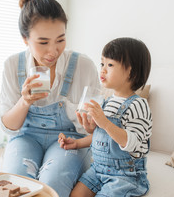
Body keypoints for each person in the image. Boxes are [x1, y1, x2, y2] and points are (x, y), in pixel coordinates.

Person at [0, 0, 100, 197]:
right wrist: (24, 102)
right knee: (16, 181)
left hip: (70, 138)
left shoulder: (83, 65)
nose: (53, 51)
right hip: (26, 138)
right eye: (43, 42)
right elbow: (9, 127)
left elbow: (93, 129)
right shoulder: (12, 66)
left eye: (60, 40)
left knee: (52, 183)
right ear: (25, 39)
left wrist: (91, 123)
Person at [58, 37, 152, 196]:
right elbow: (102, 138)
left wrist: (105, 123)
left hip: (125, 176)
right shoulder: (107, 102)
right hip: (98, 170)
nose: (102, 70)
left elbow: (133, 144)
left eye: (110, 65)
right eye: (102, 64)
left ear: (130, 71)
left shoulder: (138, 105)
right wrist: (77, 143)